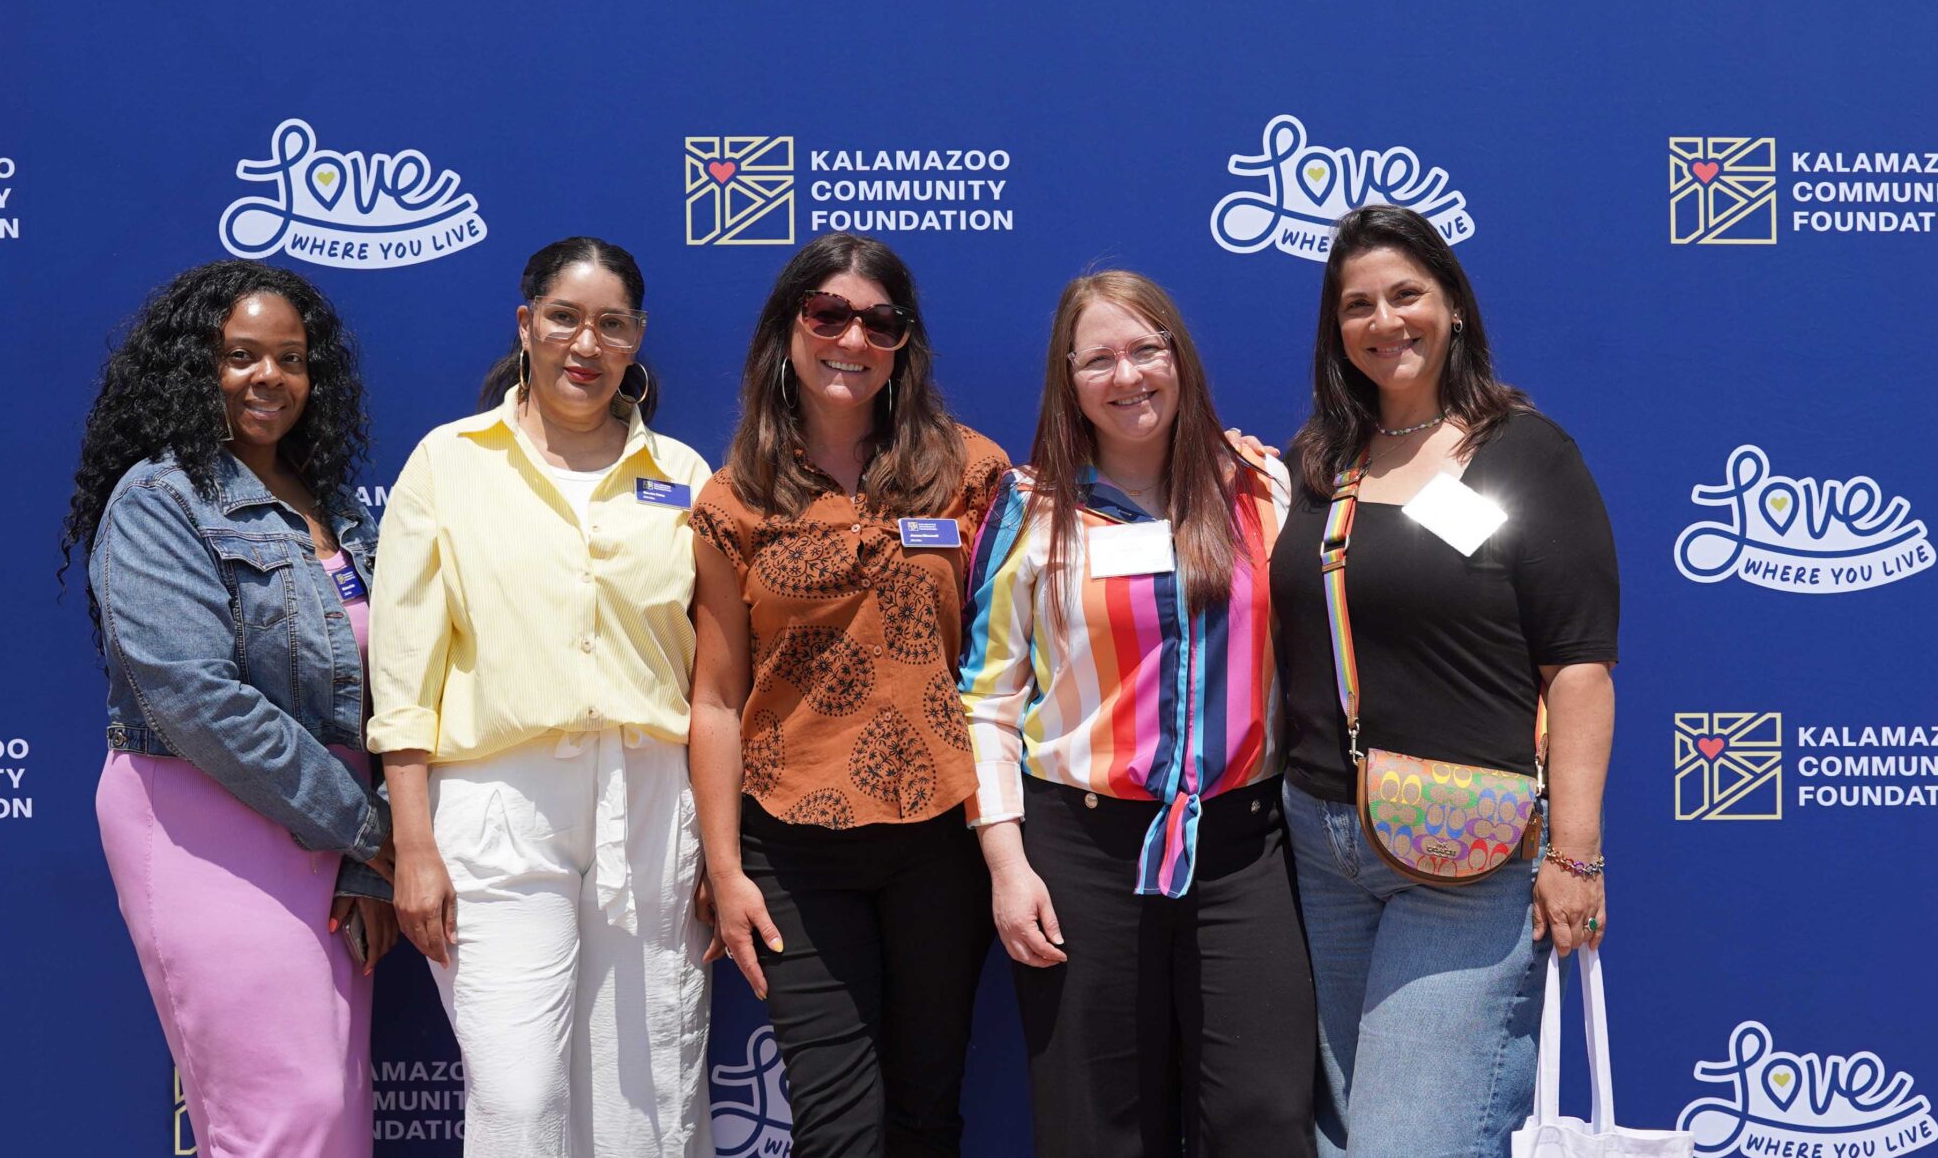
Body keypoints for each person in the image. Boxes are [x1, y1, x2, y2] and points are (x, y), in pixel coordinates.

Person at [1273, 207, 1618, 1158]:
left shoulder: (1526, 454)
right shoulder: (1319, 463)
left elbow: (1580, 667)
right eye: (1358, 305)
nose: (1385, 320)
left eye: (1406, 294)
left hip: (1465, 854)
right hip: (1321, 842)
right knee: (1342, 1141)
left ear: (1453, 305)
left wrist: (1576, 854)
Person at [368, 236, 715, 1158]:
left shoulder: (683, 475)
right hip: (496, 808)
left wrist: (717, 845)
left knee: (641, 1102)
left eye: (610, 324)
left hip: (649, 802)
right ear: (526, 324)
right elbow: (403, 675)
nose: (584, 344)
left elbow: (715, 675)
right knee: (519, 1101)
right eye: (563, 318)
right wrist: (411, 843)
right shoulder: (448, 462)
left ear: (637, 339)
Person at [959, 271, 1315, 1157]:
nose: (1129, 376)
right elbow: (987, 699)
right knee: (1096, 1127)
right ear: (1069, 379)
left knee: (1263, 1117)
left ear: (1180, 360)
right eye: (1100, 358)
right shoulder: (1030, 510)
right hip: (1080, 852)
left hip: (1240, 848)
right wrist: (1007, 864)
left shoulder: (1262, 487)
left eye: (1147, 350)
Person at [688, 232, 1010, 1158]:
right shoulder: (732, 498)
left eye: (880, 321)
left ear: (904, 341)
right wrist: (723, 868)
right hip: (792, 848)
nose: (852, 338)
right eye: (828, 314)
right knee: (838, 1127)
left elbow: (1034, 617)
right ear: (788, 327)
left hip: (941, 839)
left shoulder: (972, 472)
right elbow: (715, 698)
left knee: (925, 1113)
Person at [66, 260, 393, 1158]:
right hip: (203, 821)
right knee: (284, 1114)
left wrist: (365, 854)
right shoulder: (159, 498)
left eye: (290, 357)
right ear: (193, 365)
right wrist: (365, 829)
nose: (269, 377)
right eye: (240, 354)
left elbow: (383, 695)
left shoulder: (337, 510)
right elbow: (194, 697)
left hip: (329, 838)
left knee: (326, 1113)